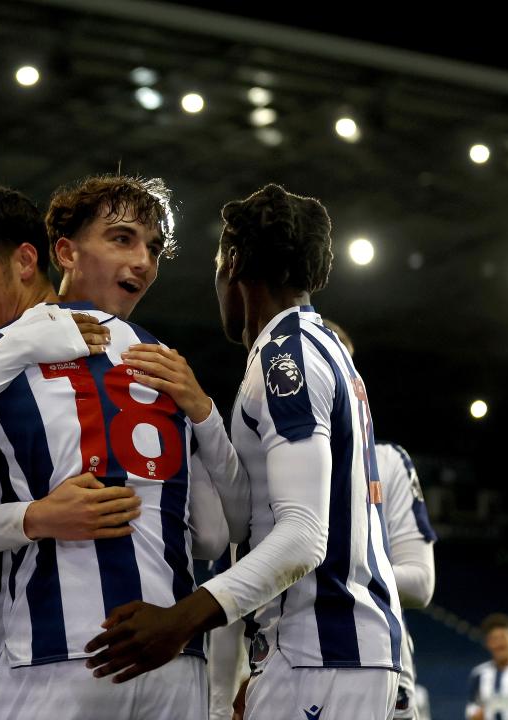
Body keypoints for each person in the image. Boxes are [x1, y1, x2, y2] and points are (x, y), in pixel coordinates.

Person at [0, 174, 248, 720]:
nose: (142, 261)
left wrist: (34, 519)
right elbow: (214, 535)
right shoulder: (168, 364)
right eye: (122, 239)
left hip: (58, 655)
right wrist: (206, 413)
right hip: (174, 659)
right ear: (63, 251)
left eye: (153, 248)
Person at [86, 183, 403, 720]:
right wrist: (204, 413)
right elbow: (245, 521)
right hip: (319, 656)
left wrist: (180, 619)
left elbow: (303, 536)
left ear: (232, 262)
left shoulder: (289, 359)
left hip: (324, 653)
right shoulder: (312, 346)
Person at [326, 319, 438, 720]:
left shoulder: (387, 460)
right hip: (276, 665)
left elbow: (422, 584)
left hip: (382, 667)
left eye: (346, 365)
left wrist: (316, 565)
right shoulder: (257, 454)